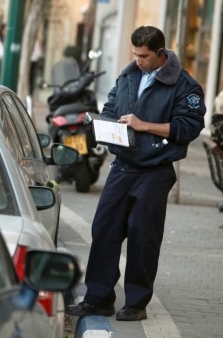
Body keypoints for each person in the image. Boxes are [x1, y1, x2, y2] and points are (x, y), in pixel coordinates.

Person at [66, 26, 206, 321]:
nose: (138, 60)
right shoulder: (127, 75)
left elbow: (189, 127)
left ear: (160, 53)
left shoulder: (184, 85)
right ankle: (98, 298)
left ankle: (136, 303)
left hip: (155, 171)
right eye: (135, 54)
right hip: (122, 166)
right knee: (103, 231)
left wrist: (144, 125)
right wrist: (101, 124)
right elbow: (110, 106)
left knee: (144, 237)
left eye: (143, 56)